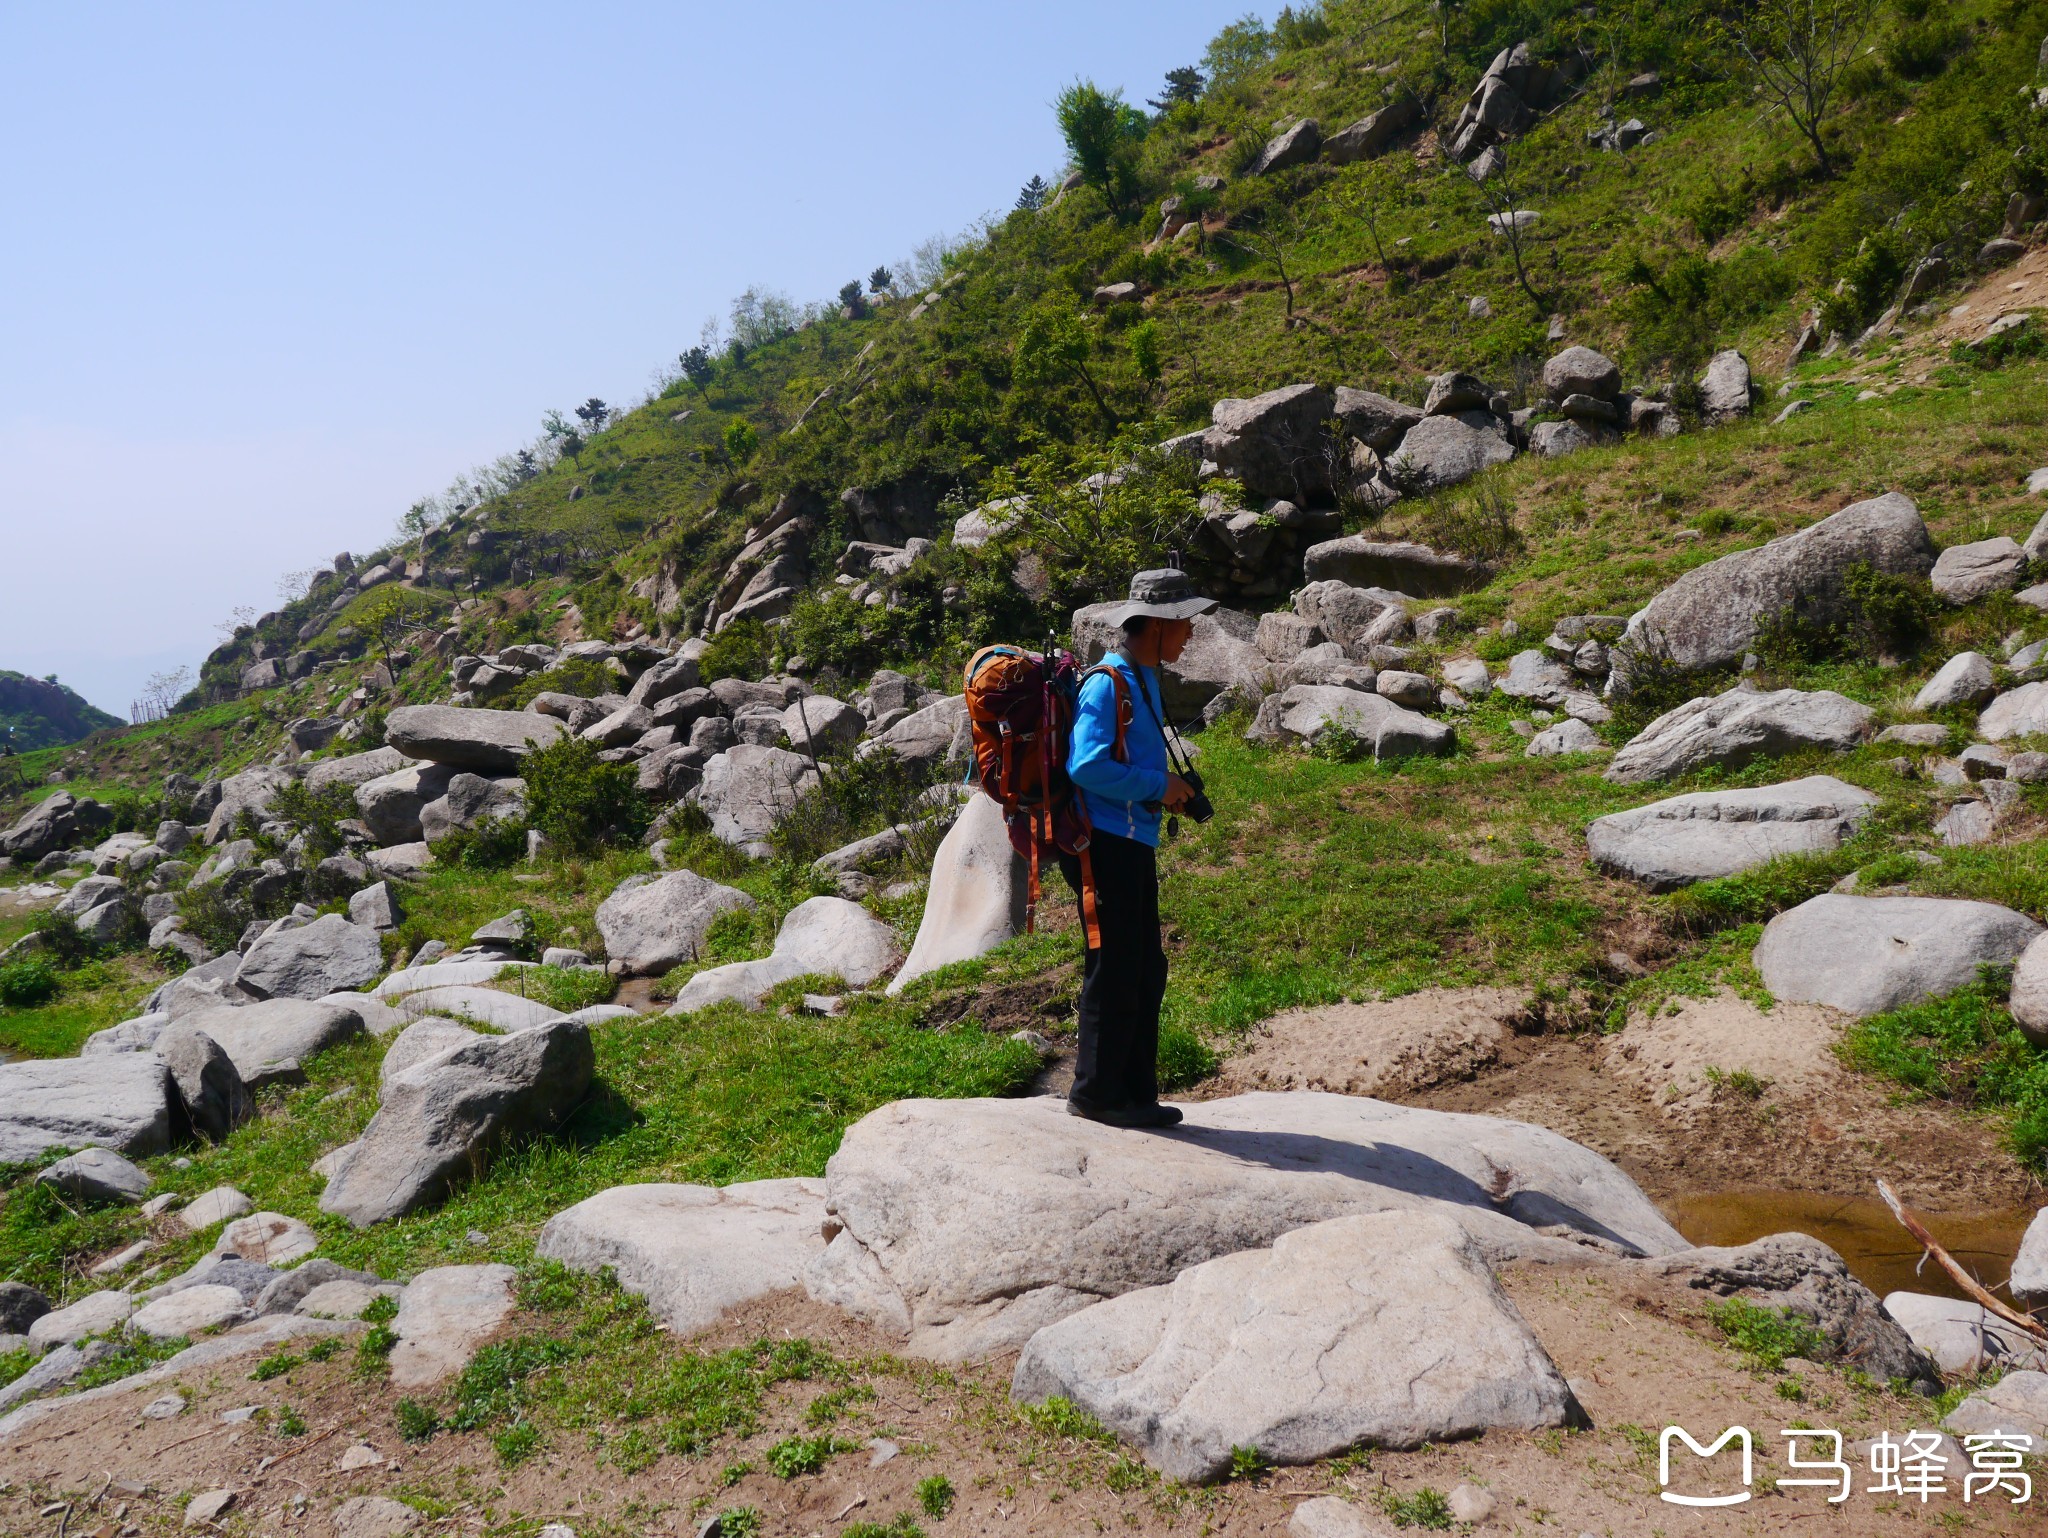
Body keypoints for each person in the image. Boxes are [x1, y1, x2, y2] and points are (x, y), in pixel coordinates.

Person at [1060, 568, 1212, 1129]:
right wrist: (1160, 787)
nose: (1191, 633)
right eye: (1185, 622)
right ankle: (1096, 1095)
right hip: (1101, 843)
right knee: (1115, 965)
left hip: (1131, 838)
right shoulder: (1108, 682)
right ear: (1155, 626)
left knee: (1144, 966)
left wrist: (1166, 793)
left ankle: (1135, 1094)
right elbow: (1086, 765)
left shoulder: (1144, 676)